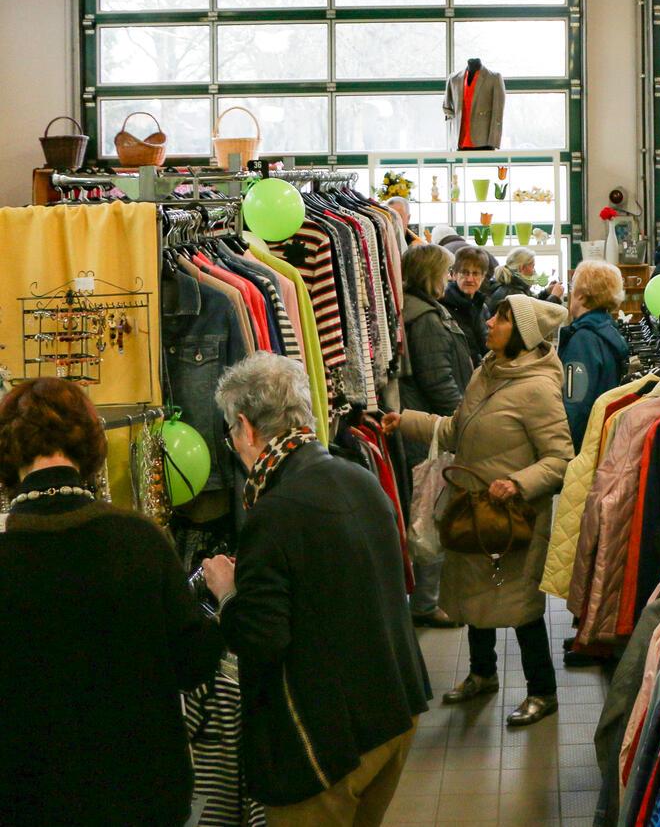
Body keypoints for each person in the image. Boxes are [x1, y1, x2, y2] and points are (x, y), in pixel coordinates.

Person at [202, 353, 429, 825]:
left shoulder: (273, 511)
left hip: (327, 744)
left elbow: (261, 640)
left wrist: (227, 592)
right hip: (393, 710)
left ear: (245, 427)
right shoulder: (359, 478)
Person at [0, 378, 224, 827]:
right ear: (89, 447)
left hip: (30, 799)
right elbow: (194, 665)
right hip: (142, 794)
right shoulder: (140, 540)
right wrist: (225, 605)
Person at [387, 295, 574, 726]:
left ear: (522, 335)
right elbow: (455, 430)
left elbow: (561, 460)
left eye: (501, 319)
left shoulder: (537, 388)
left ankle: (542, 691)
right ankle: (482, 673)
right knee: (475, 599)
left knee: (520, 608)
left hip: (513, 520)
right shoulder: (485, 373)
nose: (489, 322)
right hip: (472, 512)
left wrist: (519, 483)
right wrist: (405, 420)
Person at [400, 242, 475, 629]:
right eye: (446, 271)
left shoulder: (424, 311)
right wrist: (465, 418)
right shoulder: (426, 318)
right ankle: (426, 602)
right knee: (430, 510)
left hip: (429, 423)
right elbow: (437, 379)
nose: (450, 278)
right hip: (431, 427)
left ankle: (429, 597)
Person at [560, 261, 631, 450]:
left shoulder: (583, 340)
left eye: (572, 288)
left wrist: (563, 453)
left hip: (583, 443)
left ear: (581, 296)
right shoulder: (608, 330)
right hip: (601, 437)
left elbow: (575, 404)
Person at [440, 244, 492, 364]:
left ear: (483, 276)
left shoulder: (482, 307)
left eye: (475, 273)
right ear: (454, 275)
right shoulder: (443, 306)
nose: (470, 279)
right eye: (464, 272)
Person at [486, 246, 564, 314]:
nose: (534, 271)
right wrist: (554, 297)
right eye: (532, 266)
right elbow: (537, 318)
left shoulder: (513, 287)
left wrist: (546, 292)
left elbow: (532, 304)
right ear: (522, 268)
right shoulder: (514, 294)